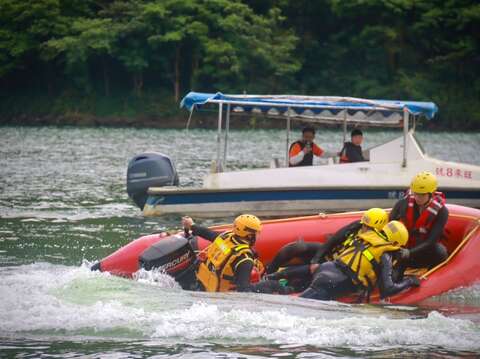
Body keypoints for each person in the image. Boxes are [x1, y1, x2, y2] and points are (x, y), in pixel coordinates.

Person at [299, 220, 420, 301]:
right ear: (395, 243)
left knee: (303, 299)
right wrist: (410, 281)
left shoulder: (367, 236)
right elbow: (387, 290)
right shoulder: (385, 254)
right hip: (337, 282)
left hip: (326, 268)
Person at [182, 214, 291, 294]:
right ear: (249, 235)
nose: (256, 236)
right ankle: (290, 290)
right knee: (271, 284)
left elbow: (208, 234)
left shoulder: (226, 237)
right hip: (218, 296)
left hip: (202, 284)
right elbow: (244, 290)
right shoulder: (244, 259)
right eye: (255, 233)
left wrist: (192, 225)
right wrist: (268, 286)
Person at [266, 208, 389, 275]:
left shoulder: (380, 244)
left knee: (303, 271)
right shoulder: (357, 225)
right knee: (297, 247)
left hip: (339, 266)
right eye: (364, 225)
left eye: (368, 227)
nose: (364, 228)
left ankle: (275, 277)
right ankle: (269, 271)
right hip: (328, 253)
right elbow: (333, 240)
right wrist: (316, 260)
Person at [390, 171, 449, 270]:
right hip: (401, 250)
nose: (417, 197)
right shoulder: (403, 203)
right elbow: (390, 224)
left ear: (431, 194)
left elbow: (431, 241)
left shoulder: (442, 212)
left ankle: (430, 277)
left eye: (421, 195)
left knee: (440, 251)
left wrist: (409, 252)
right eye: (415, 193)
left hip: (421, 252)